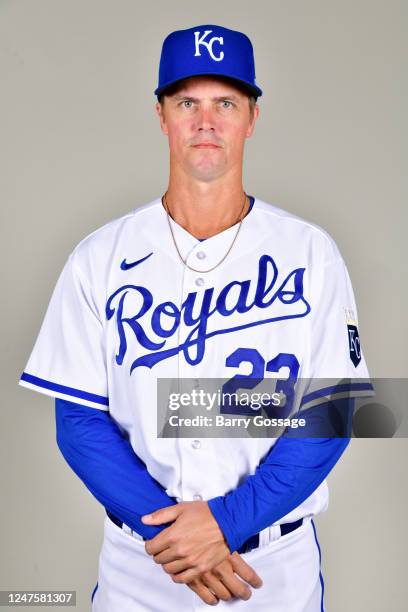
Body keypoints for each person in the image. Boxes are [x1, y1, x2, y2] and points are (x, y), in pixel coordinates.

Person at [19, 24, 374, 611]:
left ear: (251, 118)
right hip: (143, 568)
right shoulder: (99, 258)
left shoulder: (310, 252)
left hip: (271, 571)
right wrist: (177, 537)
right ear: (161, 116)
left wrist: (226, 523)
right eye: (187, 102)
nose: (205, 121)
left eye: (225, 103)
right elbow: (78, 424)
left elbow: (331, 415)